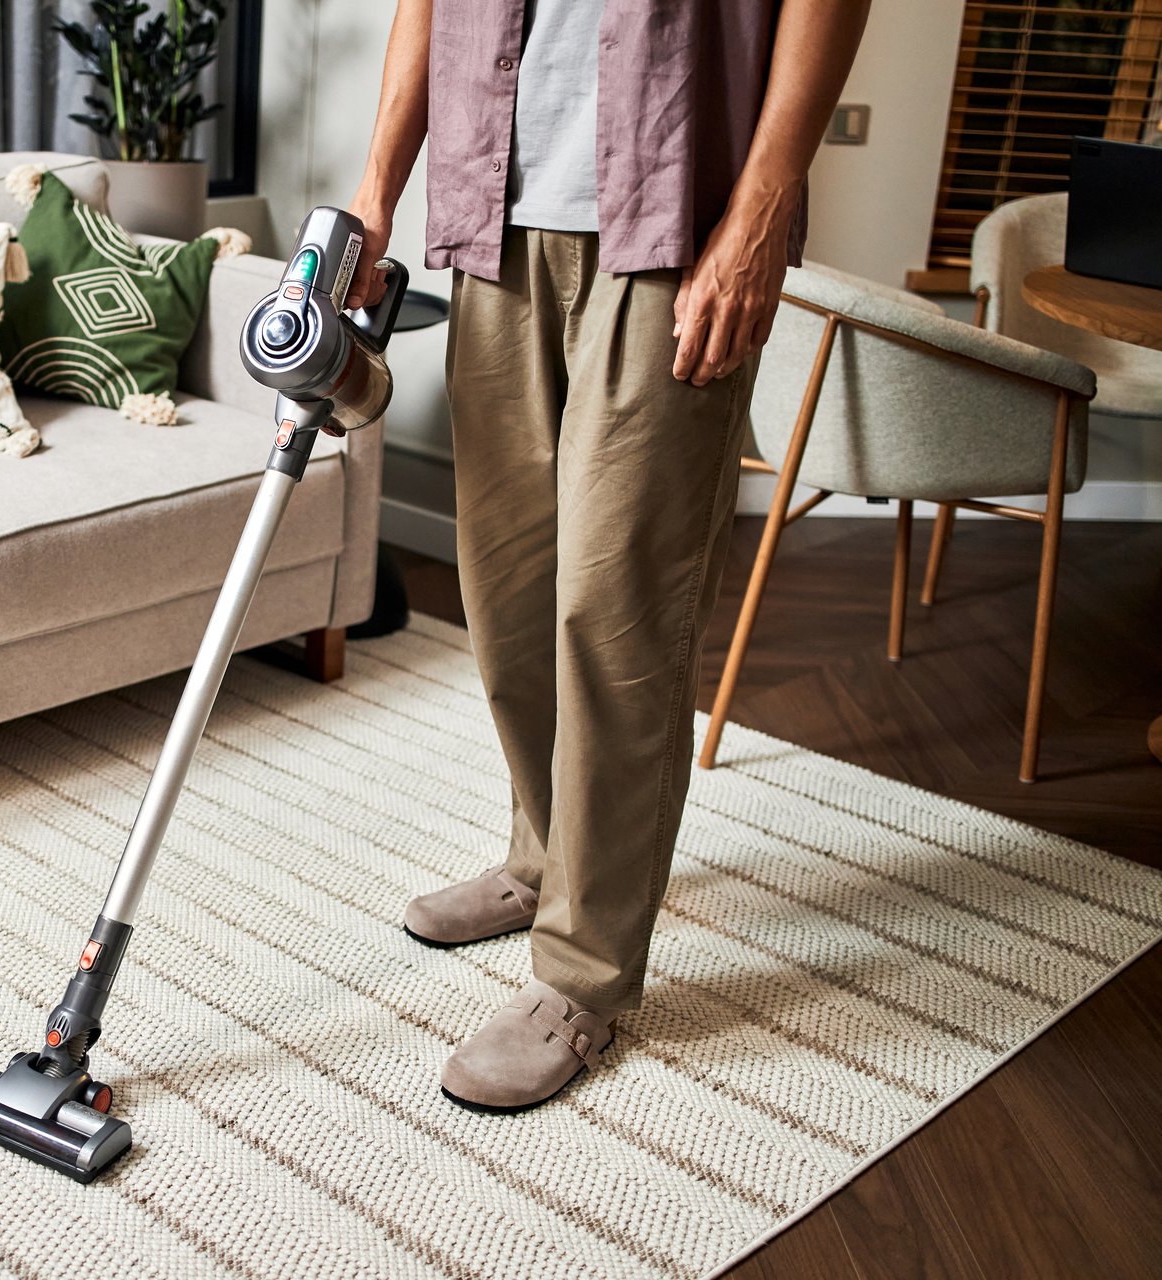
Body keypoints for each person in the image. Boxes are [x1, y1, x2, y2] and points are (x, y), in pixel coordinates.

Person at [347, 0, 870, 1110]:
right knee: (511, 587)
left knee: (616, 602)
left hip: (675, 213)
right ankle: (542, 858)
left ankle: (582, 970)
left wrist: (767, 199)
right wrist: (376, 192)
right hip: (493, 203)